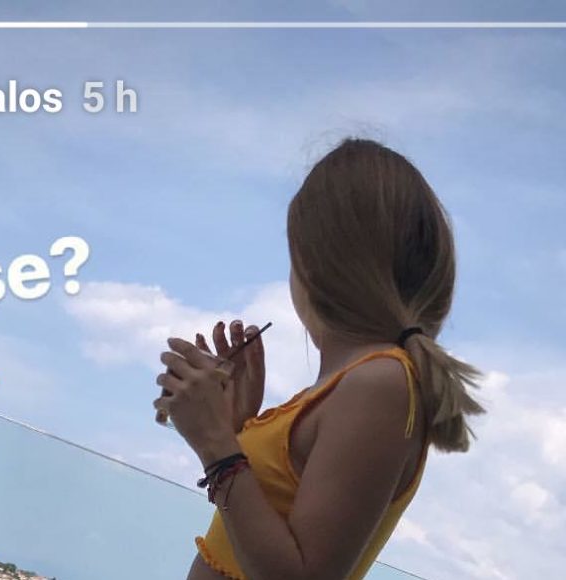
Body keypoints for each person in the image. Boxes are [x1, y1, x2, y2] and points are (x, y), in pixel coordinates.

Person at [154, 138, 485, 580]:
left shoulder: (382, 383)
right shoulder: (357, 384)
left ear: (315, 263)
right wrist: (234, 429)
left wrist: (216, 445)